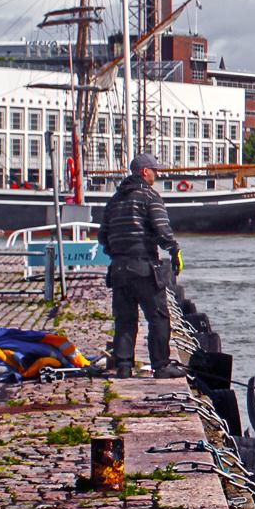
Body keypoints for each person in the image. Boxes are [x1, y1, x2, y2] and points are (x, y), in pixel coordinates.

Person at [97, 153, 186, 379]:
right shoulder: (149, 196)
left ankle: (124, 366)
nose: (156, 174)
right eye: (154, 170)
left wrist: (116, 254)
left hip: (118, 268)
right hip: (144, 266)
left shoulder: (114, 200)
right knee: (158, 316)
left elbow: (103, 236)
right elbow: (161, 229)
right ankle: (161, 365)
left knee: (125, 318)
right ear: (145, 172)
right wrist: (174, 250)